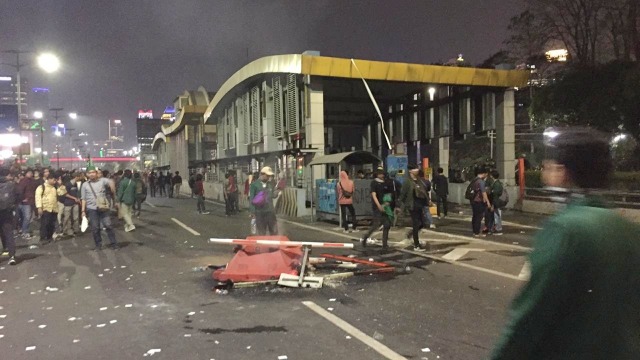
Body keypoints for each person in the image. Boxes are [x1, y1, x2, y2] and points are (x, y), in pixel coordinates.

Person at [490, 127, 640, 359]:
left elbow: (529, 320)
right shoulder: (629, 230)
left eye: (549, 168)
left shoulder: (564, 230)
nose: (544, 176)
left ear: (564, 173)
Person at [81, 166, 119, 250]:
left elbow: (110, 181)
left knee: (108, 225)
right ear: (87, 174)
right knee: (95, 228)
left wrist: (112, 185)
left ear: (96, 173)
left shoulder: (102, 181)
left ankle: (114, 244)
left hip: (103, 207)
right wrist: (83, 210)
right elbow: (83, 198)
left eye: (93, 172)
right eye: (89, 173)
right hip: (91, 209)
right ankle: (98, 245)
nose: (91, 174)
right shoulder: (85, 185)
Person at [359, 168, 394, 250]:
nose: (382, 175)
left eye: (383, 173)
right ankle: (365, 238)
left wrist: (387, 203)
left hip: (385, 206)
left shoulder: (386, 182)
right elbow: (374, 195)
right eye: (380, 173)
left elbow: (388, 194)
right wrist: (379, 205)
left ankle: (384, 244)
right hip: (377, 206)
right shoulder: (374, 183)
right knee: (376, 224)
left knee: (387, 224)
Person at [399, 165, 429, 252]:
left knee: (422, 223)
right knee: (416, 224)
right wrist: (400, 206)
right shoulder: (407, 182)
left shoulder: (419, 180)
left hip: (420, 205)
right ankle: (416, 245)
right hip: (412, 206)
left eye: (417, 169)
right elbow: (402, 195)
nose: (417, 170)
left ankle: (410, 235)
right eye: (415, 169)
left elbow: (425, 191)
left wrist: (428, 201)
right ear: (410, 171)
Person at [35, 173, 64, 244]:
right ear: (49, 179)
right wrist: (39, 207)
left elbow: (61, 193)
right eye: (54, 180)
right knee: (45, 224)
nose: (55, 181)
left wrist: (61, 185)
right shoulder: (41, 187)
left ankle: (49, 237)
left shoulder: (55, 187)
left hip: (54, 209)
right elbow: (38, 197)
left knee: (51, 224)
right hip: (45, 208)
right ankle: (43, 238)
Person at [249, 166, 278, 235]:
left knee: (274, 231)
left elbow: (272, 196)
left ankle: (274, 245)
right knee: (262, 232)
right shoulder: (254, 185)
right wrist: (252, 212)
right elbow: (251, 199)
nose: (269, 177)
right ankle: (262, 245)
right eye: (267, 175)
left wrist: (277, 193)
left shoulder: (270, 184)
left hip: (270, 212)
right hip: (260, 213)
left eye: (270, 176)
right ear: (262, 174)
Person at [0, 168, 18, 265]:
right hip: (7, 212)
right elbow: (18, 195)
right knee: (9, 234)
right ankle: (12, 256)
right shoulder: (11, 185)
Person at [16, 169, 38, 239]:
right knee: (27, 217)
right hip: (25, 202)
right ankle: (24, 232)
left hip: (29, 201)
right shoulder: (24, 181)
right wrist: (22, 199)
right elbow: (20, 191)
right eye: (29, 172)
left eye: (31, 173)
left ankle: (24, 231)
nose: (30, 174)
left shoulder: (32, 181)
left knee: (26, 217)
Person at [469, 166, 490, 237]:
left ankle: (474, 231)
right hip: (478, 201)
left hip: (473, 200)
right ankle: (477, 232)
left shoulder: (474, 180)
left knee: (475, 216)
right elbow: (483, 193)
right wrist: (487, 202)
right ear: (483, 173)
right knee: (479, 217)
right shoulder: (481, 181)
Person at [488, 170, 504, 235]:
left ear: (492, 176)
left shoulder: (496, 184)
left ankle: (498, 228)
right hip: (497, 202)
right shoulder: (497, 183)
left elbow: (495, 195)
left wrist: (493, 205)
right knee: (497, 215)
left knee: (497, 215)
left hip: (496, 202)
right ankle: (498, 227)